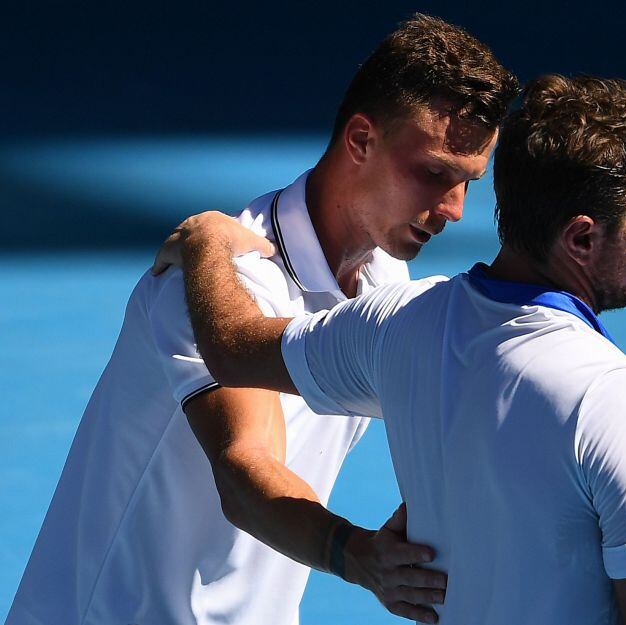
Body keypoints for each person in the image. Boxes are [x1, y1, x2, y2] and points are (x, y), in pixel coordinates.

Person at [7, 14, 517, 625]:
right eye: (434, 174)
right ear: (361, 141)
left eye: (467, 182)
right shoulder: (222, 284)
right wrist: (359, 557)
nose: (454, 209)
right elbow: (246, 474)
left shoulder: (385, 279)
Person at [159, 74, 626, 624]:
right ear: (581, 239)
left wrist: (208, 240)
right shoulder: (618, 399)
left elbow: (229, 348)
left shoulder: (396, 323)